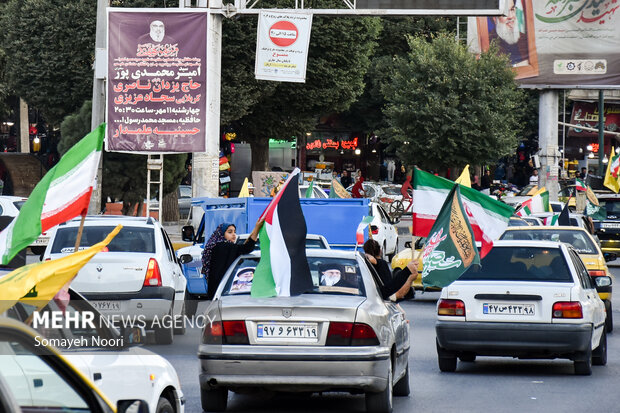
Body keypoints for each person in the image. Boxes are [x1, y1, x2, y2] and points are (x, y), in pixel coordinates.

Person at [202, 219, 264, 300]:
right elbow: (246, 248)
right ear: (221, 234)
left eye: (234, 232)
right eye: (230, 232)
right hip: (223, 293)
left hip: (217, 292)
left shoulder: (214, 245)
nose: (234, 235)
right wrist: (257, 228)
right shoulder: (223, 247)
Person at [487, 0, 529, 66]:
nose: (511, 16)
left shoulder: (525, 38)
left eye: (512, 10)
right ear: (495, 19)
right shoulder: (488, 44)